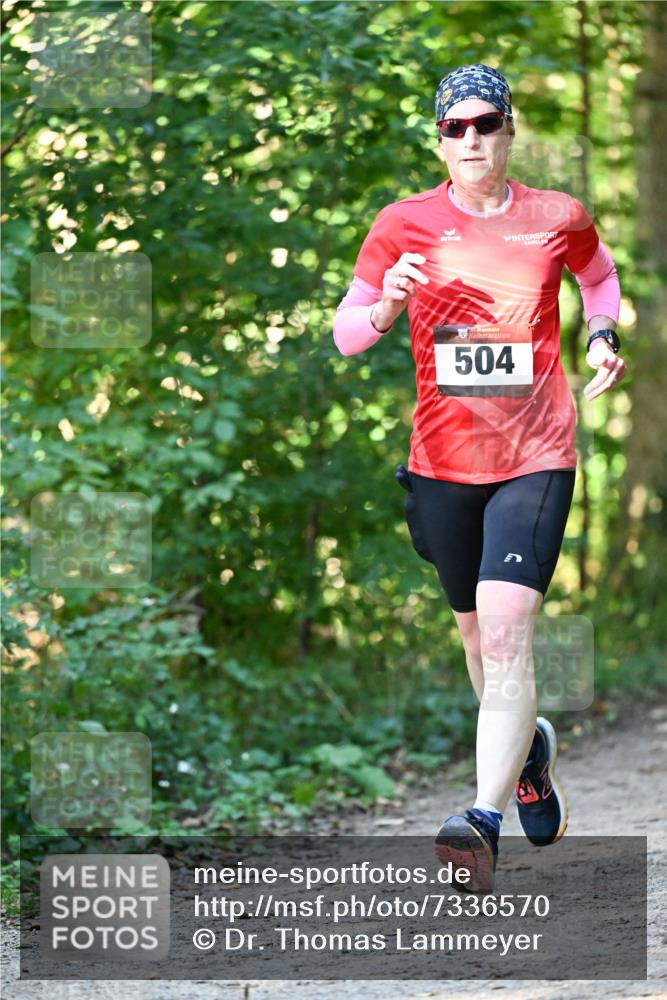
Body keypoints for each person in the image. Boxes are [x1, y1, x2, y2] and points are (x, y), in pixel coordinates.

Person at [333, 63, 625, 892]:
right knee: (474, 638)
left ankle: (481, 819)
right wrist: (385, 303)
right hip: (441, 463)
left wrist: (599, 334)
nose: (470, 140)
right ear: (438, 137)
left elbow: (597, 276)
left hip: (536, 454)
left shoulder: (555, 216)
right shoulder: (402, 223)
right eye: (453, 128)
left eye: (484, 123)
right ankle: (526, 756)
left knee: (504, 630)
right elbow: (348, 334)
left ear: (508, 127)